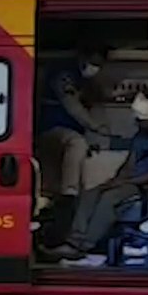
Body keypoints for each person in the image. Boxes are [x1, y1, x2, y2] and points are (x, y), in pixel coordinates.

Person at [47, 92, 148, 260]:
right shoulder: (140, 137)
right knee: (90, 193)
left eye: (141, 121)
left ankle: (85, 245)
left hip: (143, 185)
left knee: (108, 199)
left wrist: (124, 182)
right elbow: (129, 162)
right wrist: (115, 180)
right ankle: (73, 241)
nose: (138, 124)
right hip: (128, 181)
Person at [36, 43, 114, 243]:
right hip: (51, 131)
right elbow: (72, 106)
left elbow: (93, 98)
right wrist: (95, 126)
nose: (95, 67)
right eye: (94, 62)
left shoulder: (83, 79)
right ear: (83, 57)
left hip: (64, 134)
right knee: (76, 144)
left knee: (52, 188)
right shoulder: (63, 74)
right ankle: (69, 193)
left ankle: (53, 236)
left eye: (99, 64)